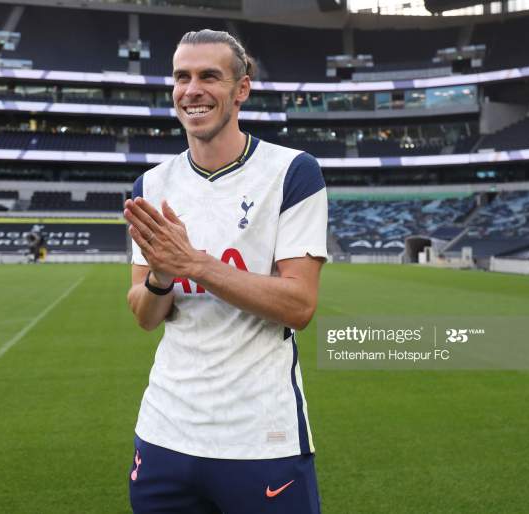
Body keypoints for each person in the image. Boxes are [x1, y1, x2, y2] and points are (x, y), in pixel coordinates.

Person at [124, 29, 327, 514]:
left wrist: (194, 264)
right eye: (181, 77)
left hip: (260, 438)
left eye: (208, 76)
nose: (191, 90)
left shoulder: (293, 172)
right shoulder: (151, 184)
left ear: (241, 90)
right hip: (163, 432)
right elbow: (145, 315)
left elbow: (299, 306)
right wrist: (160, 277)